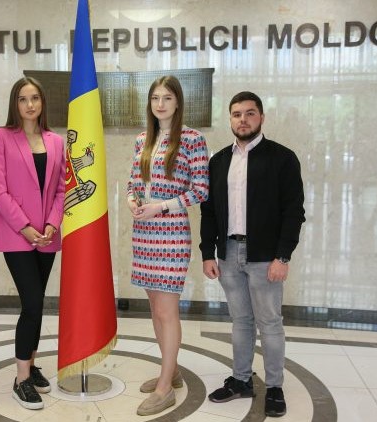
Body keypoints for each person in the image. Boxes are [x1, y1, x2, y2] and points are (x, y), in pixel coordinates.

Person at [199, 91, 305, 418]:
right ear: (230, 119)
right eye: (236, 114)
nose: (242, 120)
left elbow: (293, 212)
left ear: (261, 117)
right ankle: (241, 380)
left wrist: (282, 257)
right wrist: (207, 252)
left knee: (269, 322)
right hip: (229, 254)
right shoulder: (218, 161)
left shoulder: (282, 158)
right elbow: (209, 212)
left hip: (265, 257)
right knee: (241, 321)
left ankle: (274, 387)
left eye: (249, 113)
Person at [126, 75, 209, 416]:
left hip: (171, 233)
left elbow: (201, 190)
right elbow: (133, 182)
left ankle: (165, 389)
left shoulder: (192, 139)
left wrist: (160, 206)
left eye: (167, 98)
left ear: (178, 102)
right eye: (155, 98)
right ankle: (170, 371)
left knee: (166, 311)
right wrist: (132, 200)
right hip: (144, 233)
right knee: (154, 309)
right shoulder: (142, 139)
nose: (160, 104)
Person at [0, 77, 66, 410]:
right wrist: (26, 228)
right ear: (14, 104)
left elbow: (62, 188)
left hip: (47, 235)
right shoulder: (1, 136)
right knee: (31, 304)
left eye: (35, 98)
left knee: (38, 303)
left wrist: (52, 224)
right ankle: (21, 380)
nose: (30, 104)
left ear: (42, 102)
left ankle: (30, 366)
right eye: (22, 99)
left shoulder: (56, 141)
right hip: (16, 235)